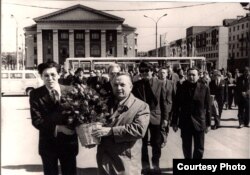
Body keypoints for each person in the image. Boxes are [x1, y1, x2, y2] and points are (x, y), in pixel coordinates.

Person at [92, 73, 150, 175]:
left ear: (131, 87)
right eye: (115, 85)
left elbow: (139, 130)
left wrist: (110, 131)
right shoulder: (104, 103)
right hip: (104, 160)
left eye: (122, 85)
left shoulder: (141, 106)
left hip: (125, 162)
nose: (118, 88)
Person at [29, 61, 78, 175]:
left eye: (53, 75)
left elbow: (79, 114)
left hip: (69, 144)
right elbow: (36, 120)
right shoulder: (35, 94)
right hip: (48, 144)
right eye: (46, 75)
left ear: (59, 75)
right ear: (41, 77)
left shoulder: (71, 90)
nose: (50, 78)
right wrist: (58, 128)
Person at [132, 61, 168, 174]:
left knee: (156, 143)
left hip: (156, 117)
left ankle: (156, 165)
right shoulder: (136, 85)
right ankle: (145, 166)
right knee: (142, 143)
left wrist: (165, 118)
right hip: (141, 118)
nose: (144, 73)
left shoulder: (160, 83)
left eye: (146, 70)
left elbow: (164, 102)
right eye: (141, 71)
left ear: (152, 71)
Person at [172, 67, 211, 159]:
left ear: (198, 76)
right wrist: (174, 122)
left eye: (194, 75)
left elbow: (208, 107)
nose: (191, 77)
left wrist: (208, 124)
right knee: (186, 147)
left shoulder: (204, 88)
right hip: (185, 122)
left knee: (199, 148)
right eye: (189, 75)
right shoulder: (181, 87)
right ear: (186, 75)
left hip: (199, 122)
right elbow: (176, 106)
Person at [157, 67, 173, 148]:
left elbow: (174, 95)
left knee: (167, 124)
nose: (162, 74)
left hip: (169, 107)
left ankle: (165, 135)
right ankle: (163, 140)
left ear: (167, 74)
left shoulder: (171, 83)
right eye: (161, 72)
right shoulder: (156, 83)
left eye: (164, 72)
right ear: (158, 74)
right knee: (162, 124)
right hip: (160, 107)